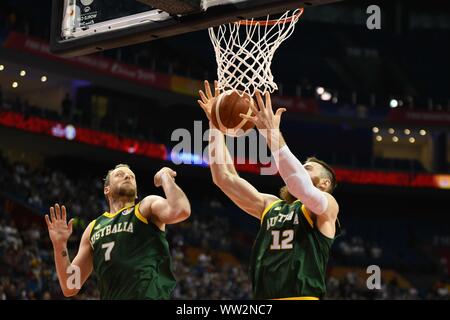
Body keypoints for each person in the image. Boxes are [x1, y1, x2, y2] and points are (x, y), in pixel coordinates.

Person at [198, 81, 340, 300]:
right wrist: (215, 124)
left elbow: (299, 184)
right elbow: (223, 178)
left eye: (308, 168)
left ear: (324, 184)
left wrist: (271, 134)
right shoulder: (270, 206)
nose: (301, 169)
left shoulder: (326, 207)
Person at [45, 164, 191, 299]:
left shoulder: (146, 207)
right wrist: (59, 244)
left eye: (132, 176)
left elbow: (181, 210)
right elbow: (70, 286)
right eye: (120, 174)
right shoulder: (93, 227)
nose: (128, 177)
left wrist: (165, 175)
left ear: (136, 193)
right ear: (106, 189)